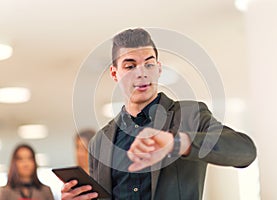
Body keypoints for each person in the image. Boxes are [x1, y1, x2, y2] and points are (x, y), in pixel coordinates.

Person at [61, 28, 257, 200]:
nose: (141, 73)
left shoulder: (190, 115)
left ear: (159, 68)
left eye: (149, 64)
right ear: (114, 74)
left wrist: (178, 143)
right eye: (130, 66)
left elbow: (245, 151)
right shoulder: (100, 141)